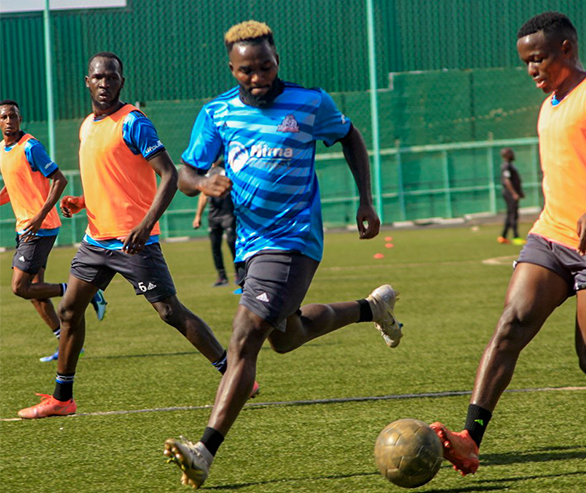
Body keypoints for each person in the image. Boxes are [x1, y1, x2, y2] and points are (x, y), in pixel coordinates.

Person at [431, 11, 586, 476]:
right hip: (551, 236)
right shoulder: (549, 104)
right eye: (526, 62)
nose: (532, 69)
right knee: (510, 326)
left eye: (539, 59)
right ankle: (470, 440)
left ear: (566, 49)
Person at [163, 21, 402, 489]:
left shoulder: (310, 102)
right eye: (246, 70)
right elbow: (185, 173)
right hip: (249, 245)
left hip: (294, 240)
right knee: (288, 337)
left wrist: (366, 200)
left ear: (277, 61)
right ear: (232, 69)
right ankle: (371, 308)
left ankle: (203, 451)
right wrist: (204, 182)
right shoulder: (217, 114)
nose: (258, 78)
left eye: (266, 67)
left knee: (245, 336)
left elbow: (350, 135)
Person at [16, 52, 250, 419]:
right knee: (69, 310)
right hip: (95, 241)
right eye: (98, 77)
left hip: (133, 241)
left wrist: (145, 225)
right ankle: (63, 398)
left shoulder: (133, 122)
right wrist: (81, 201)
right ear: (87, 82)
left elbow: (170, 175)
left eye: (112, 77)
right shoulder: (87, 126)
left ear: (121, 82)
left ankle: (235, 375)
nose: (105, 83)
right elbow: (110, 177)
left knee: (169, 312)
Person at [0, 100, 106, 363]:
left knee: (20, 287)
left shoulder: (31, 147)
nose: (9, 120)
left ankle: (82, 291)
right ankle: (65, 343)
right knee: (36, 294)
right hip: (26, 227)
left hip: (40, 228)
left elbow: (59, 179)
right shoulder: (3, 149)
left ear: (20, 119)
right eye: (4, 117)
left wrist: (39, 216)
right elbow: (13, 186)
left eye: (13, 116)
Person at [192, 160, 240, 288]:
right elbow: (203, 196)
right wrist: (198, 216)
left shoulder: (229, 166)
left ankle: (239, 274)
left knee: (232, 243)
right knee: (215, 247)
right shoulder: (206, 171)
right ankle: (222, 276)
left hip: (228, 214)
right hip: (213, 216)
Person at [497, 147, 525, 245]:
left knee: (510, 214)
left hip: (510, 193)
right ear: (507, 155)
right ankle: (516, 237)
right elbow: (507, 181)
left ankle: (503, 236)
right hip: (509, 193)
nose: (513, 154)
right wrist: (514, 193)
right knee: (513, 215)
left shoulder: (510, 165)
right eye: (510, 153)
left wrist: (520, 192)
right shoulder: (506, 166)